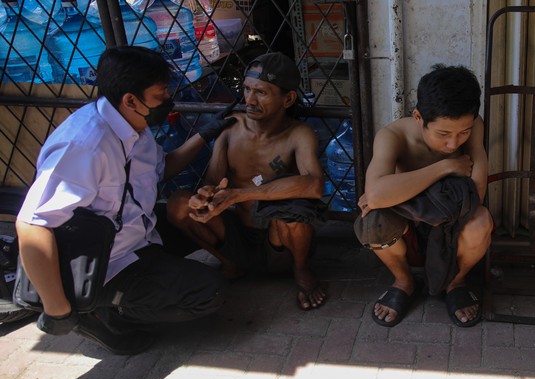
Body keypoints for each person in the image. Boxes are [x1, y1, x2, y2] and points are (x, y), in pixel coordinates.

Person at [15, 46, 232, 355]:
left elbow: (162, 168)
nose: (167, 100)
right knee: (209, 292)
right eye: (161, 95)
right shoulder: (85, 146)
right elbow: (31, 225)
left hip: (135, 234)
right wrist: (57, 309)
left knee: (196, 219)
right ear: (131, 99)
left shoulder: (133, 127)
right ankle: (103, 313)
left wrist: (209, 131)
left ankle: (134, 292)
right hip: (105, 262)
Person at [166, 52, 328, 310]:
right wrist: (205, 196)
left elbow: (314, 185)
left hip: (279, 242)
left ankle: (301, 269)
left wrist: (241, 194)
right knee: (178, 204)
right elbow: (212, 182)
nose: (249, 100)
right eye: (247, 89)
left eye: (261, 92)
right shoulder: (231, 128)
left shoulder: (298, 134)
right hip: (237, 237)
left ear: (287, 99)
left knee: (294, 209)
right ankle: (229, 263)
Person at [354, 65, 493, 328]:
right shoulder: (392, 136)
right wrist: (446, 168)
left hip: (453, 227)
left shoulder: (475, 127)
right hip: (408, 231)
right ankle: (404, 281)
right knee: (373, 222)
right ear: (419, 118)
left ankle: (455, 282)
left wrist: (395, 192)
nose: (454, 144)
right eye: (443, 134)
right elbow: (375, 196)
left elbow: (476, 194)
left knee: (481, 220)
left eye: (463, 132)